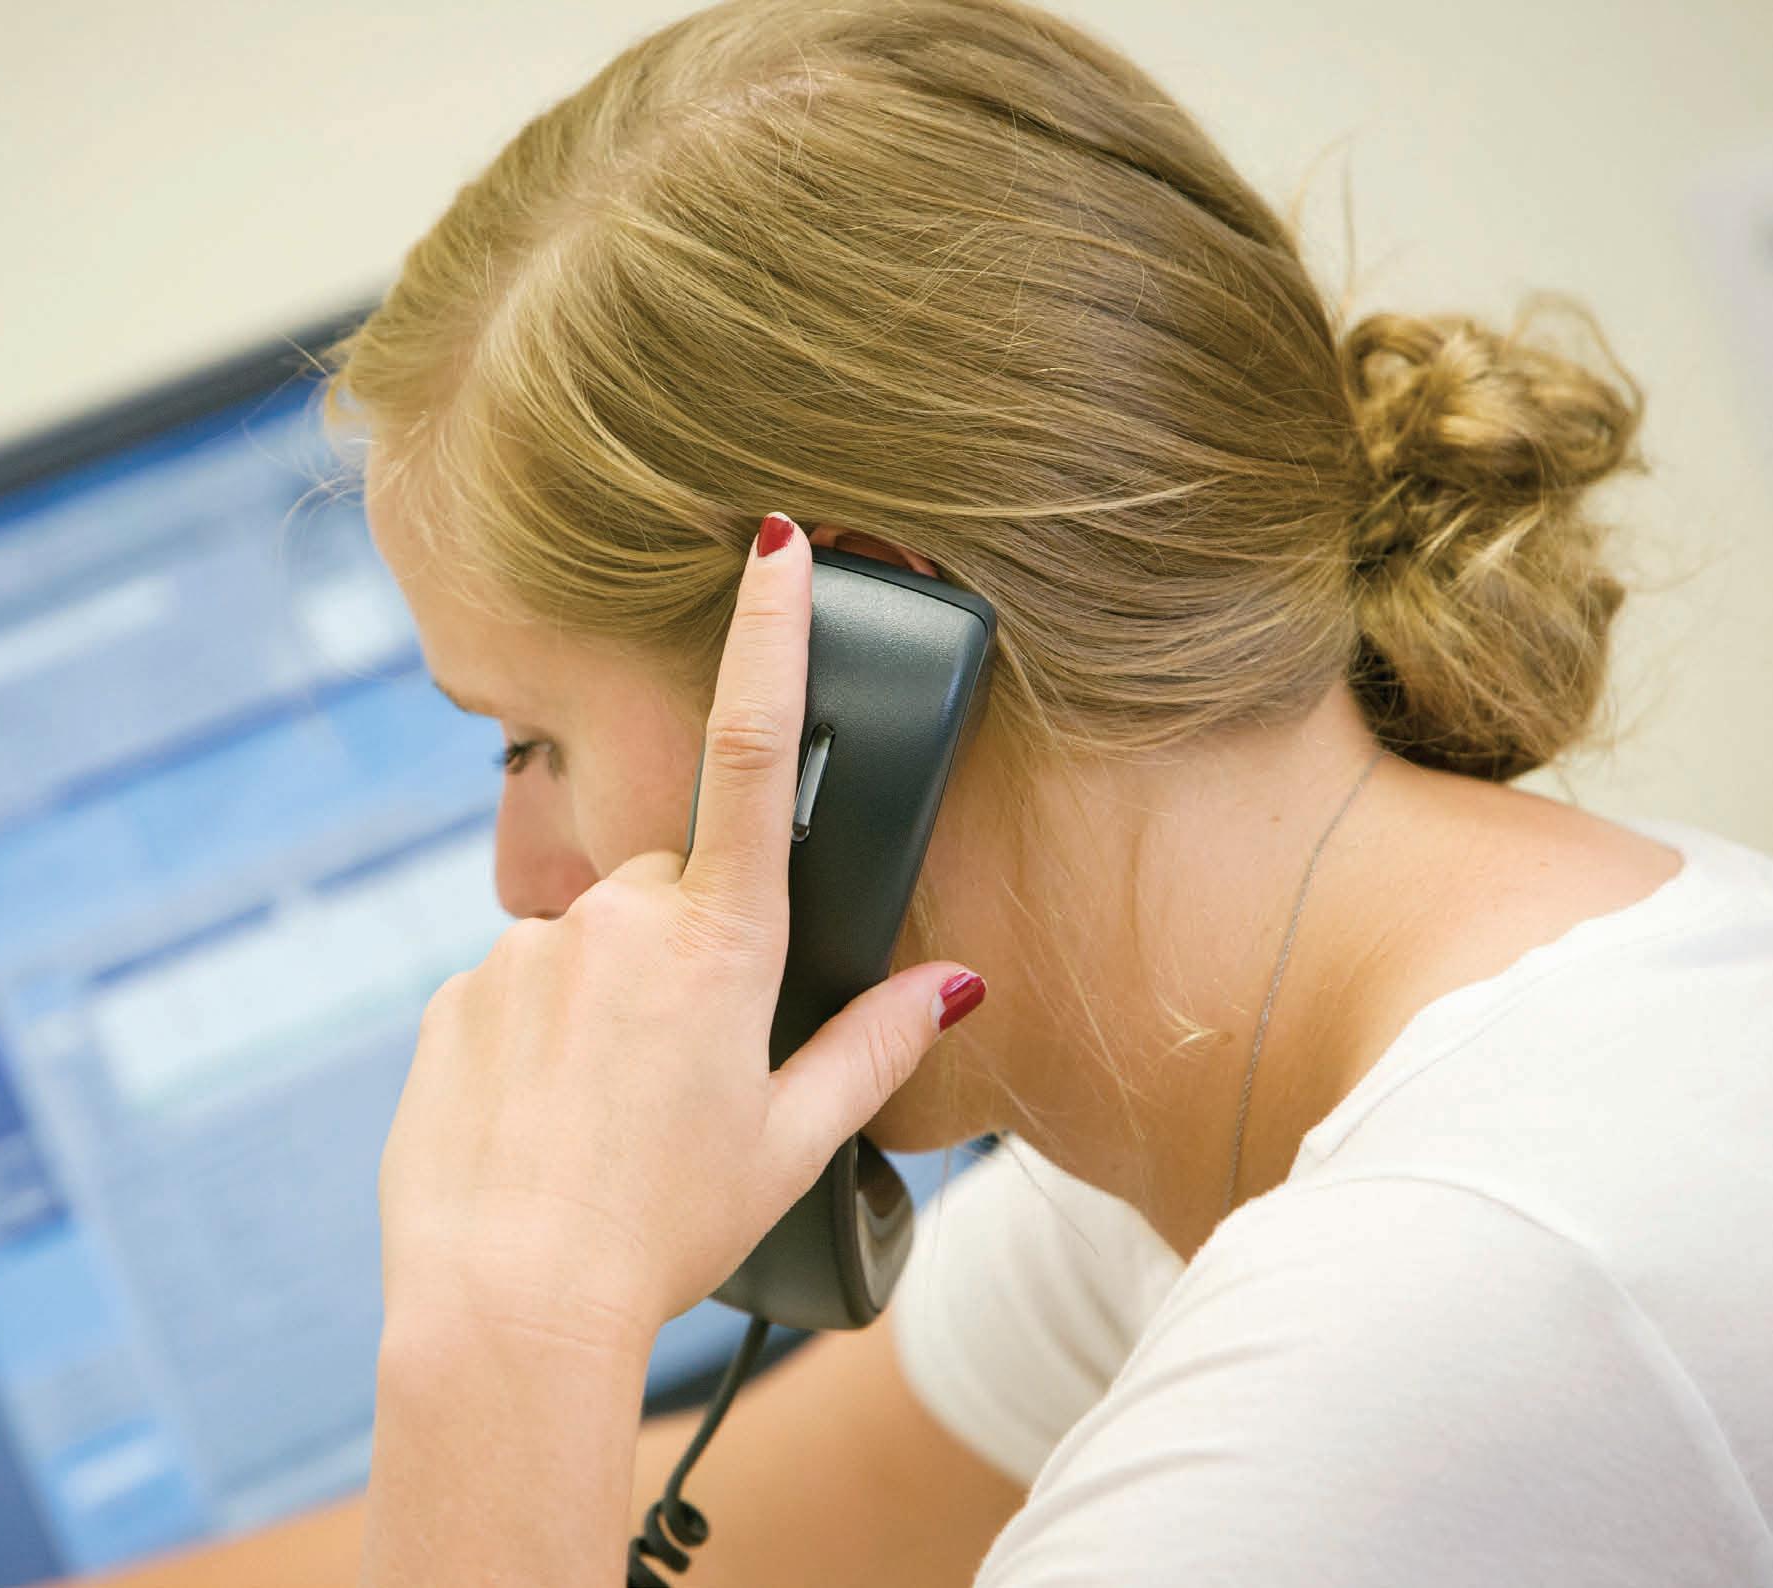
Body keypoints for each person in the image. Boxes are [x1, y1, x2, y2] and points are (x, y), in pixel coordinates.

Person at [101, 1, 1773, 1582]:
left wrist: (502, 1332)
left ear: (856, 666)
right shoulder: (1268, 1130)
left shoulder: (1446, 1322)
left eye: (527, 741)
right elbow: (773, 1526)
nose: (519, 877)